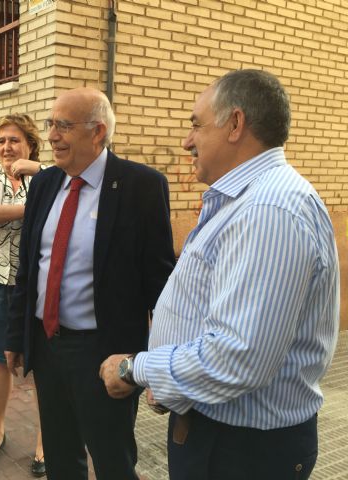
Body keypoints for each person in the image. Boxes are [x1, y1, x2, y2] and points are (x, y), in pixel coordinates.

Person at [100, 69, 340, 480]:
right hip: (222, 435)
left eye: (196, 125)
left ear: (235, 124)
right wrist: (173, 383)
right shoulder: (246, 201)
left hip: (241, 450)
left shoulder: (269, 210)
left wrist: (135, 368)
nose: (187, 141)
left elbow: (238, 356)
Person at [5, 87, 176, 480]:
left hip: (104, 353)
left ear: (98, 132)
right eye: (51, 125)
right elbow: (28, 268)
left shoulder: (141, 186)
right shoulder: (46, 184)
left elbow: (160, 282)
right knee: (61, 459)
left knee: (113, 460)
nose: (51, 136)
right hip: (48, 347)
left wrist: (160, 365)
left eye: (63, 126)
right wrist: (17, 337)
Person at [0, 113, 46, 476]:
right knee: (0, 359)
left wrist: (38, 172)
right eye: (1, 141)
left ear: (29, 144)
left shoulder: (45, 177)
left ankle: (45, 441)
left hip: (37, 287)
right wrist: (30, 209)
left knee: (43, 362)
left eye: (14, 140)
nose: (6, 147)